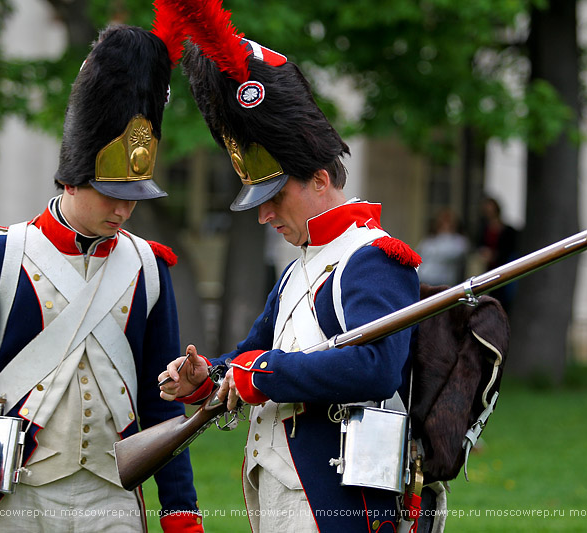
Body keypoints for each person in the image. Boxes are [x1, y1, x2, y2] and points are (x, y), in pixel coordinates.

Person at [0, 24, 204, 533]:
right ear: (73, 176)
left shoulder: (149, 268)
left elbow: (161, 401)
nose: (124, 208)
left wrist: (180, 509)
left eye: (134, 195)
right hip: (16, 493)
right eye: (110, 191)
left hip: (112, 494)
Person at [159, 7, 423, 531]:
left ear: (320, 179)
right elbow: (249, 356)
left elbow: (377, 367)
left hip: (338, 501)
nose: (264, 213)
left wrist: (267, 375)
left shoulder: (374, 257)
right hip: (280, 492)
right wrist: (205, 377)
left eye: (276, 195)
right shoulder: (299, 267)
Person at [475, 197, 519, 313]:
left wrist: (495, 255)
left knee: (504, 297)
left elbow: (510, 248)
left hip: (504, 267)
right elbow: (478, 245)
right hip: (488, 268)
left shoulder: (508, 230)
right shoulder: (483, 229)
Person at [415, 208, 470, 287]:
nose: (445, 225)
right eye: (442, 222)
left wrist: (446, 235)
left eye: (448, 222)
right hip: (424, 278)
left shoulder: (459, 241)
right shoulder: (430, 240)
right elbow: (419, 254)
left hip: (443, 281)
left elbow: (450, 254)